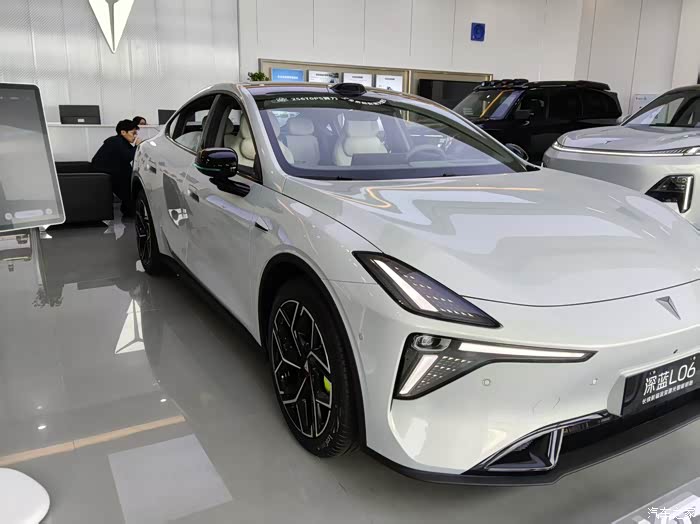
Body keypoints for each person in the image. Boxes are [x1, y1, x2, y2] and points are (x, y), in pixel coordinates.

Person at [91, 120, 141, 216]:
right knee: (129, 187)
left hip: (112, 171)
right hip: (107, 172)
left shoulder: (120, 141)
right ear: (123, 132)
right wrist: (138, 146)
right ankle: (129, 209)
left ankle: (129, 208)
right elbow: (128, 156)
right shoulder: (117, 141)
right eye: (133, 133)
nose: (135, 136)